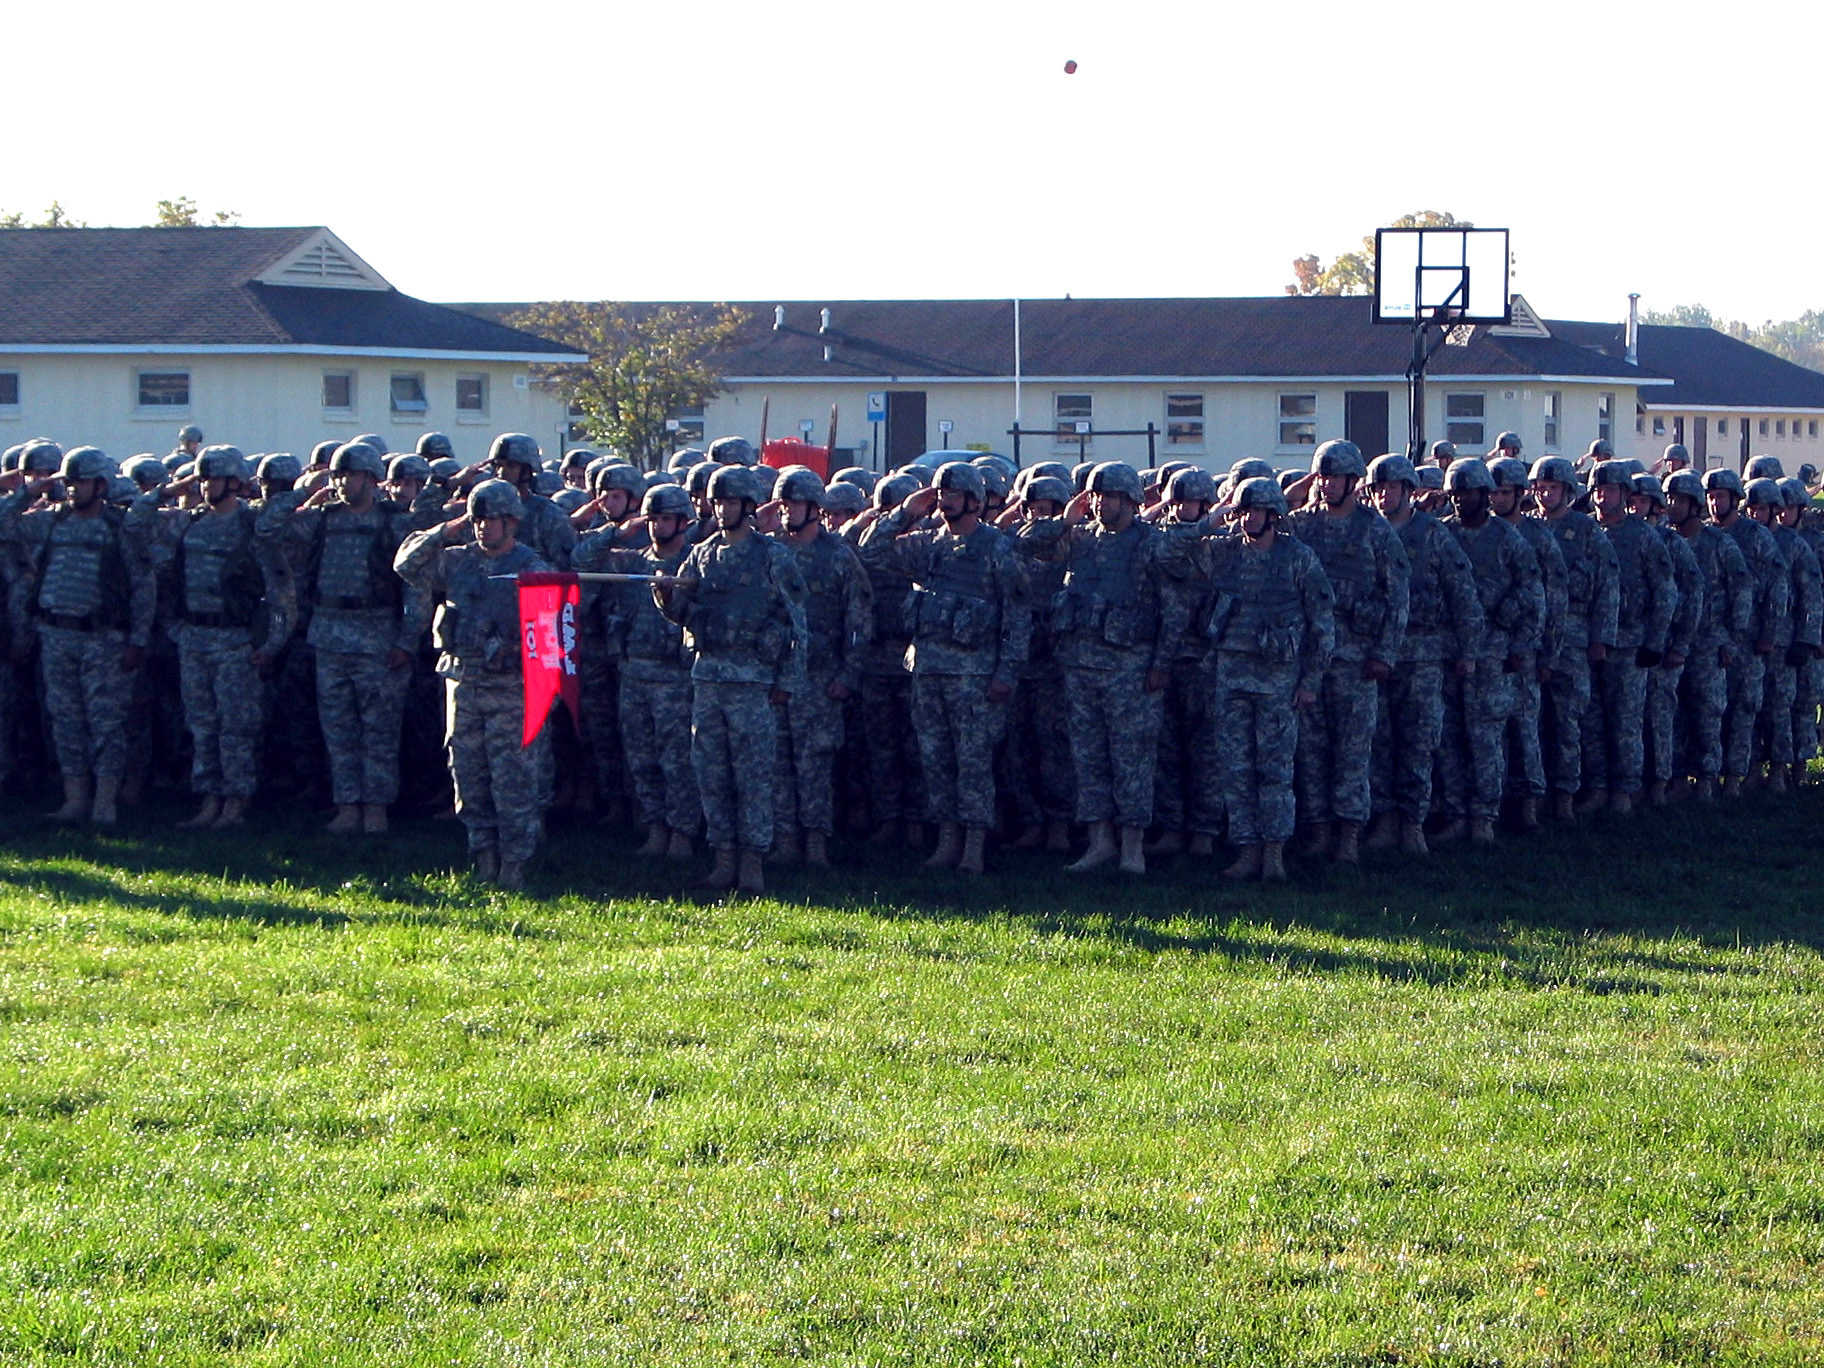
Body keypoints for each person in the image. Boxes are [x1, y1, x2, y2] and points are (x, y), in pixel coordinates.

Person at [857, 462, 1031, 875]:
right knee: (935, 759)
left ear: (974, 501)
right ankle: (946, 839)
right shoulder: (929, 546)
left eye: (952, 493)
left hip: (975, 675)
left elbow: (1018, 615)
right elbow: (870, 551)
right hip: (929, 673)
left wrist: (1007, 672)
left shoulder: (998, 549)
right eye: (940, 493)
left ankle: (974, 845)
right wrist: (906, 512)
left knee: (972, 762)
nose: (944, 500)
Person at [1016, 461, 1189, 875]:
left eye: (1108, 496)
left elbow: (1174, 610)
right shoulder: (1079, 540)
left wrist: (1161, 664)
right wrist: (1062, 519)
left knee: (1132, 759)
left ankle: (1132, 848)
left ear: (1130, 500)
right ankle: (1099, 842)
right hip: (1081, 666)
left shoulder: (1151, 543)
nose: (1099, 503)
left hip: (1131, 669)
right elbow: (1022, 546)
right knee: (1089, 756)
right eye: (1095, 495)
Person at [656, 464, 809, 894]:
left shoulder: (773, 557)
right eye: (717, 502)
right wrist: (666, 596)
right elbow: (684, 613)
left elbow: (798, 625)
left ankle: (753, 864)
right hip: (709, 679)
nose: (721, 510)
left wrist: (787, 682)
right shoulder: (702, 554)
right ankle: (723, 859)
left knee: (754, 775)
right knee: (712, 774)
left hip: (755, 682)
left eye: (729, 502)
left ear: (748, 506)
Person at [396, 480, 552, 889]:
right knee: (468, 773)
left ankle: (515, 863)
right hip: (463, 683)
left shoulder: (532, 569)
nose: (483, 528)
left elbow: (549, 636)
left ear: (511, 522)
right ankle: (482, 857)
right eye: (477, 519)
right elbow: (406, 566)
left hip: (511, 690)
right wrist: (443, 530)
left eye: (491, 520)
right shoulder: (458, 561)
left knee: (512, 778)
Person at [134, 446, 294, 828]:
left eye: (213, 478)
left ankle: (236, 802)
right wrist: (168, 491)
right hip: (195, 637)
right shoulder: (189, 523)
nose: (205, 486)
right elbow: (134, 524)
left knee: (236, 726)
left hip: (236, 640)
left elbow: (280, 589)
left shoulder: (252, 525)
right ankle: (208, 799)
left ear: (235, 483)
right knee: (202, 724)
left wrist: (273, 643)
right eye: (202, 479)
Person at [0, 446, 155, 824]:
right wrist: (33, 489)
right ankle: (75, 799)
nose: (71, 489)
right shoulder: (52, 521)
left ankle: (105, 801)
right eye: (67, 482)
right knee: (65, 719)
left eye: (78, 481)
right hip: (56, 635)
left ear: (100, 485)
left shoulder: (120, 527)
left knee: (106, 722)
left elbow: (142, 585)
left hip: (103, 639)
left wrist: (137, 639)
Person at [1193, 477, 1334, 881]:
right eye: (1243, 511)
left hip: (1277, 681)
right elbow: (1170, 553)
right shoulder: (1223, 552)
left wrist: (1310, 681)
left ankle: (1274, 853)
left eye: (1255, 511)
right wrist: (1211, 520)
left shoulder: (1298, 558)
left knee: (1274, 769)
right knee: (1236, 769)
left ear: (1274, 515)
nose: (1247, 518)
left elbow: (1322, 623)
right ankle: (1246, 850)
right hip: (1231, 677)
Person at [1283, 440, 1409, 864]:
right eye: (1322, 476)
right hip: (1311, 661)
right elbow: (1264, 523)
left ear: (1354, 482)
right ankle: (1318, 829)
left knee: (1354, 750)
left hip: (1357, 661)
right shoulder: (1303, 525)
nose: (1328, 484)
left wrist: (1384, 654)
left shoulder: (1376, 530)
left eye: (1335, 477)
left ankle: (1349, 834)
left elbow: (1397, 599)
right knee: (1312, 750)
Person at [290, 441, 423, 834]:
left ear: (371, 479)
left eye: (350, 475)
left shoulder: (395, 523)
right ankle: (347, 805)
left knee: (379, 729)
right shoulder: (322, 519)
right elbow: (268, 526)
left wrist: (407, 641)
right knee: (338, 728)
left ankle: (376, 808)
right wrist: (306, 494)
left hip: (378, 634)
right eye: (339, 475)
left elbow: (415, 589)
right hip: (329, 633)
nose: (343, 483)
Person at [573, 482, 701, 860]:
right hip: (633, 673)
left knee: (677, 759)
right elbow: (580, 561)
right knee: (642, 759)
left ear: (682, 521)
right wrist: (616, 531)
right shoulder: (632, 561)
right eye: (653, 519)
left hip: (676, 676)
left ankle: (682, 833)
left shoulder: (696, 563)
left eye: (665, 519)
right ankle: (654, 827)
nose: (657, 526)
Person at [1363, 454, 1482, 855]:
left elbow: (1462, 593)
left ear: (1409, 491)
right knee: (1378, 742)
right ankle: (1384, 819)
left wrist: (1468, 649)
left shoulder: (1432, 535)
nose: (1383, 496)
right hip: (1375, 654)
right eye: (1377, 489)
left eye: (1391, 488)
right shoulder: (1367, 532)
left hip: (1424, 655)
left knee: (1419, 741)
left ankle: (1413, 821)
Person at [759, 468, 871, 868]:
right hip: (776, 676)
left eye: (794, 504)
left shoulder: (839, 556)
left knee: (815, 765)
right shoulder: (768, 550)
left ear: (814, 508)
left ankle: (816, 843)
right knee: (776, 763)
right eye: (783, 504)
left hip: (820, 679)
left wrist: (848, 675)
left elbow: (859, 620)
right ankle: (784, 840)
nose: (787, 512)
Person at [1437, 460, 1544, 845]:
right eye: (1456, 493)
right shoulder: (1443, 534)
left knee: (1485, 737)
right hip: (1447, 651)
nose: (1462, 500)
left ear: (1485, 495)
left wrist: (1519, 643)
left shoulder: (1507, 538)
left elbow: (1533, 594)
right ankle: (1454, 812)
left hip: (1492, 654)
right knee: (1448, 737)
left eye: (1469, 493)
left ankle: (1484, 815)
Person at [1581, 462, 1674, 815]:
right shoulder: (1587, 532)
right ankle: (1598, 786)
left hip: (1630, 642)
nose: (1603, 497)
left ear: (1625, 495)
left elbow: (1665, 591)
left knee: (1625, 721)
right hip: (1587, 641)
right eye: (1598, 490)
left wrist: (1655, 641)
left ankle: (1625, 789)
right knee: (1591, 721)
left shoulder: (1644, 537)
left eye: (1611, 491)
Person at [1529, 455, 1619, 820]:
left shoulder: (1584, 531)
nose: (1546, 494)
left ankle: (1567, 794)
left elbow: (1607, 586)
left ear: (1567, 491)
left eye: (1553, 488)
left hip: (1574, 639)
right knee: (1533, 721)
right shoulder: (1527, 529)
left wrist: (1602, 638)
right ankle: (1535, 793)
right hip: (1534, 640)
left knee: (1570, 720)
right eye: (1540, 488)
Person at [1490, 455, 1564, 829]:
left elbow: (1552, 599)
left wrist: (1546, 652)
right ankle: (1496, 800)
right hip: (1490, 650)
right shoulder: (1480, 532)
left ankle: (1530, 802)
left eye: (1505, 493)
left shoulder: (1538, 537)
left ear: (1519, 494)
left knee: (1526, 729)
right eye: (1494, 492)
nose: (1497, 499)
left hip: (1526, 651)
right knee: (1491, 730)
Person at [1666, 471, 1750, 800]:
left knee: (1707, 712)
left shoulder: (1720, 544)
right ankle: (1674, 777)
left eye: (1681, 501)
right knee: (1673, 714)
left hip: (1709, 643)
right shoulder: (1665, 540)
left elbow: (1741, 591)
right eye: (1670, 500)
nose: (1673, 507)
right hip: (1673, 642)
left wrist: (1731, 639)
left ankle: (1707, 777)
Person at [1706, 468, 1788, 796]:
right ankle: (1709, 774)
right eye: (1710, 497)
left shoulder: (1755, 536)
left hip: (1750, 639)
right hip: (1711, 638)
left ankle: (1740, 775)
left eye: (1720, 497)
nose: (1714, 504)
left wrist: (1769, 632)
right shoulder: (1706, 535)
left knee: (1745, 708)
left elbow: (1776, 588)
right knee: (1711, 709)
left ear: (1734, 500)